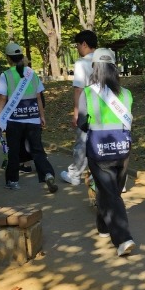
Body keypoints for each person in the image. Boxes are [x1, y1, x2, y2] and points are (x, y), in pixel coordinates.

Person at [76, 48, 136, 256]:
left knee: (109, 193)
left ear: (95, 68)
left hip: (99, 151)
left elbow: (82, 123)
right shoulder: (126, 94)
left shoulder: (88, 93)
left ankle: (123, 239)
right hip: (122, 151)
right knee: (111, 191)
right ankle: (103, 227)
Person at [0, 42, 58, 194]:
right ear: (22, 56)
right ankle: (48, 174)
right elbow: (38, 97)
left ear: (8, 58)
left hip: (15, 120)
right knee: (37, 149)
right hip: (33, 118)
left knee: (14, 150)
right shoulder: (32, 74)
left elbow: (2, 100)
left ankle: (12, 181)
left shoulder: (6, 76)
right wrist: (42, 116)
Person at [61, 30, 97, 185]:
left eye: (77, 45)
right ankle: (101, 176)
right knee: (101, 142)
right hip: (108, 108)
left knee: (82, 142)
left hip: (87, 108)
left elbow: (78, 89)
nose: (77, 48)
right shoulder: (107, 59)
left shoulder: (82, 63)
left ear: (84, 44)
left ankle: (75, 174)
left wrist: (76, 113)